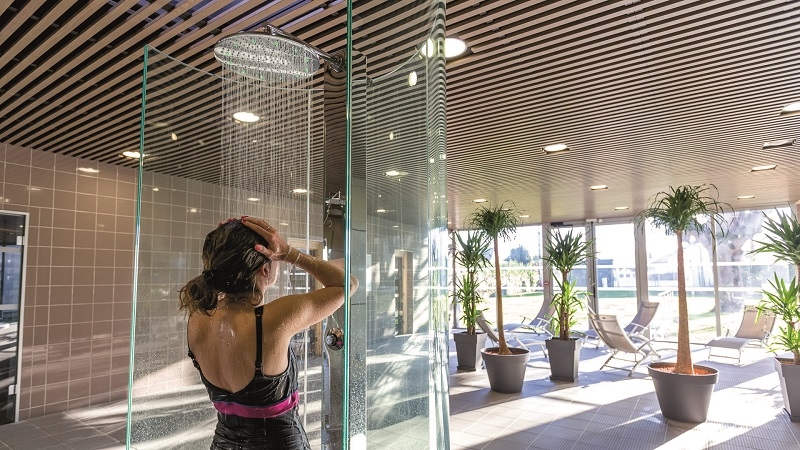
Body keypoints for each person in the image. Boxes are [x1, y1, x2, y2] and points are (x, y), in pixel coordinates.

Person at [179, 216, 357, 449]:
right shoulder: (273, 319)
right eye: (275, 260)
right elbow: (347, 284)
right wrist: (289, 253)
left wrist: (224, 244)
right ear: (265, 268)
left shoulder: (198, 318)